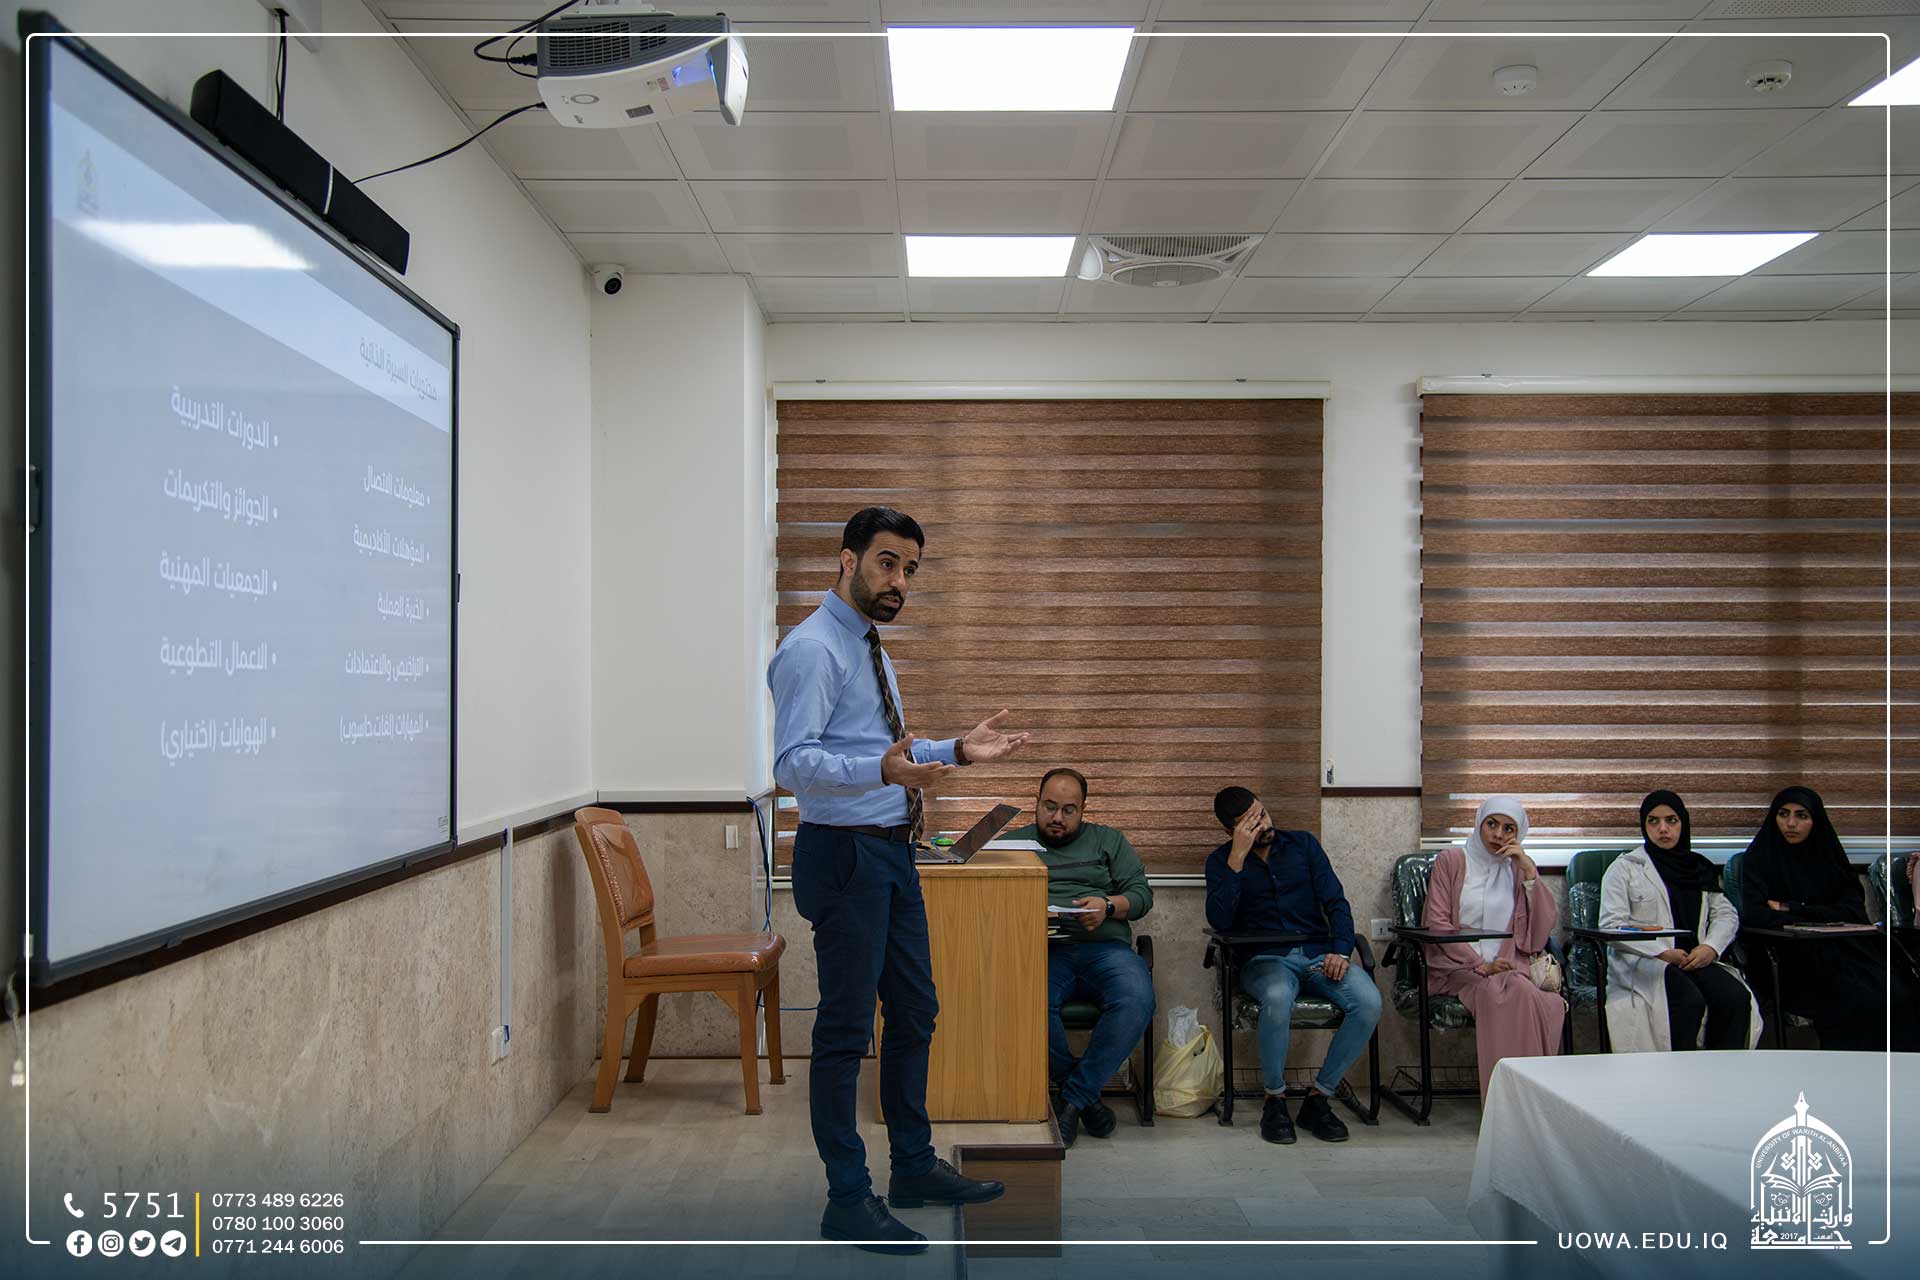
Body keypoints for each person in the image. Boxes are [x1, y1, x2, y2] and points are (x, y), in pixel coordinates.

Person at [768, 506, 1031, 1253]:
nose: (899, 582)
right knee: (846, 1030)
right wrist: (878, 771)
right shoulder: (812, 649)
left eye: (910, 569)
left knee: (915, 1011)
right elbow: (791, 764)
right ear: (846, 559)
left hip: (890, 853)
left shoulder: (869, 647)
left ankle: (912, 1167)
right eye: (887, 563)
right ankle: (847, 1199)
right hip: (843, 855)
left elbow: (886, 752)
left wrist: (956, 750)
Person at [1203, 786, 1381, 1145]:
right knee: (1278, 996)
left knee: (1368, 1002)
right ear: (1231, 830)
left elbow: (1336, 903)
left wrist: (1341, 951)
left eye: (1262, 813)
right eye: (1250, 823)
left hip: (1318, 954)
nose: (1263, 824)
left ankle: (1319, 1098)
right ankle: (1275, 1099)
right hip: (1264, 960)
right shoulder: (1221, 861)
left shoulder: (1304, 845)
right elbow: (1220, 921)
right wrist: (1236, 859)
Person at [999, 768, 1155, 1148]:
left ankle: (1071, 1099)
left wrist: (1108, 905)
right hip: (1044, 950)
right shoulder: (1011, 844)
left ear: (1084, 809)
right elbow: (988, 896)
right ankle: (1083, 1100)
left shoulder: (1108, 841)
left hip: (1104, 948)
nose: (1057, 817)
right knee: (1027, 1001)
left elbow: (1141, 895)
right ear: (1036, 803)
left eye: (1069, 810)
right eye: (1050, 807)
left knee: (1137, 998)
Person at [1737, 785, 1920, 1051]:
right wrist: (1822, 914)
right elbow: (1757, 916)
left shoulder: (1828, 856)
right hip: (1791, 955)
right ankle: (1847, 1067)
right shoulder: (1758, 859)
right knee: (1855, 998)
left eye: (1802, 815)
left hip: (1846, 949)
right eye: (1783, 814)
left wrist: (1791, 908)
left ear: (1816, 821)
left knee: (1899, 993)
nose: (1791, 823)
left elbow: (1852, 910)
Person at [1420, 796, 1564, 1099]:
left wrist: (1529, 872)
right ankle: (1510, 1100)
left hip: (1508, 966)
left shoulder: (1516, 870)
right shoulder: (1452, 861)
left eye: (1509, 829)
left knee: (1543, 1000)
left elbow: (1539, 932)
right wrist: (1480, 965)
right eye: (1492, 824)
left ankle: (1531, 1097)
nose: (1498, 834)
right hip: (1458, 969)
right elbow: (1437, 923)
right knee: (1513, 992)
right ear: (1479, 823)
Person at [1599, 791, 1760, 1052]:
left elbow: (1726, 914)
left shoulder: (1698, 868)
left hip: (1694, 958)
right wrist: (1662, 952)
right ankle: (1680, 1073)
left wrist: (1710, 947)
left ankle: (1723, 1070)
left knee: (1735, 997)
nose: (1663, 829)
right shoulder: (1624, 868)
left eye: (1671, 820)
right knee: (1689, 1001)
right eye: (1653, 821)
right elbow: (1611, 925)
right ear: (1643, 825)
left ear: (1683, 823)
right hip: (1648, 961)